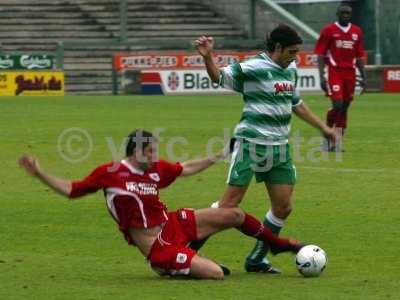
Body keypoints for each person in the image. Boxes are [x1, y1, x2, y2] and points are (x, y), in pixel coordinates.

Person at [18, 129, 303, 280]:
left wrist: (221, 153)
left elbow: (187, 167)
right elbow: (72, 189)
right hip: (157, 246)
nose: (156, 156)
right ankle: (170, 267)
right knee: (216, 274)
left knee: (234, 214)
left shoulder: (154, 170)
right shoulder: (110, 173)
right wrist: (40, 173)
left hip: (171, 225)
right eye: (151, 151)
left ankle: (275, 244)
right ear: (135, 152)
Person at [194, 24, 335, 274]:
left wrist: (323, 128)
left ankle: (257, 259)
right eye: (292, 51)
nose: (296, 56)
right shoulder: (253, 68)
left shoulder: (290, 68)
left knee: (283, 207)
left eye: (298, 52)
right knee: (228, 207)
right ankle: (188, 250)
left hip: (279, 148)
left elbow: (296, 103)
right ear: (278, 48)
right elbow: (218, 77)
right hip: (251, 144)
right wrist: (208, 57)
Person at [314, 3, 365, 151]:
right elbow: (321, 54)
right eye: (343, 13)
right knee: (338, 105)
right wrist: (321, 76)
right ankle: (327, 132)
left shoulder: (357, 32)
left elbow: (360, 56)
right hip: (335, 72)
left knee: (345, 108)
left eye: (348, 13)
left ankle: (336, 143)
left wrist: (364, 77)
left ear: (351, 15)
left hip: (350, 73)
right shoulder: (329, 30)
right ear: (337, 14)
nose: (345, 15)